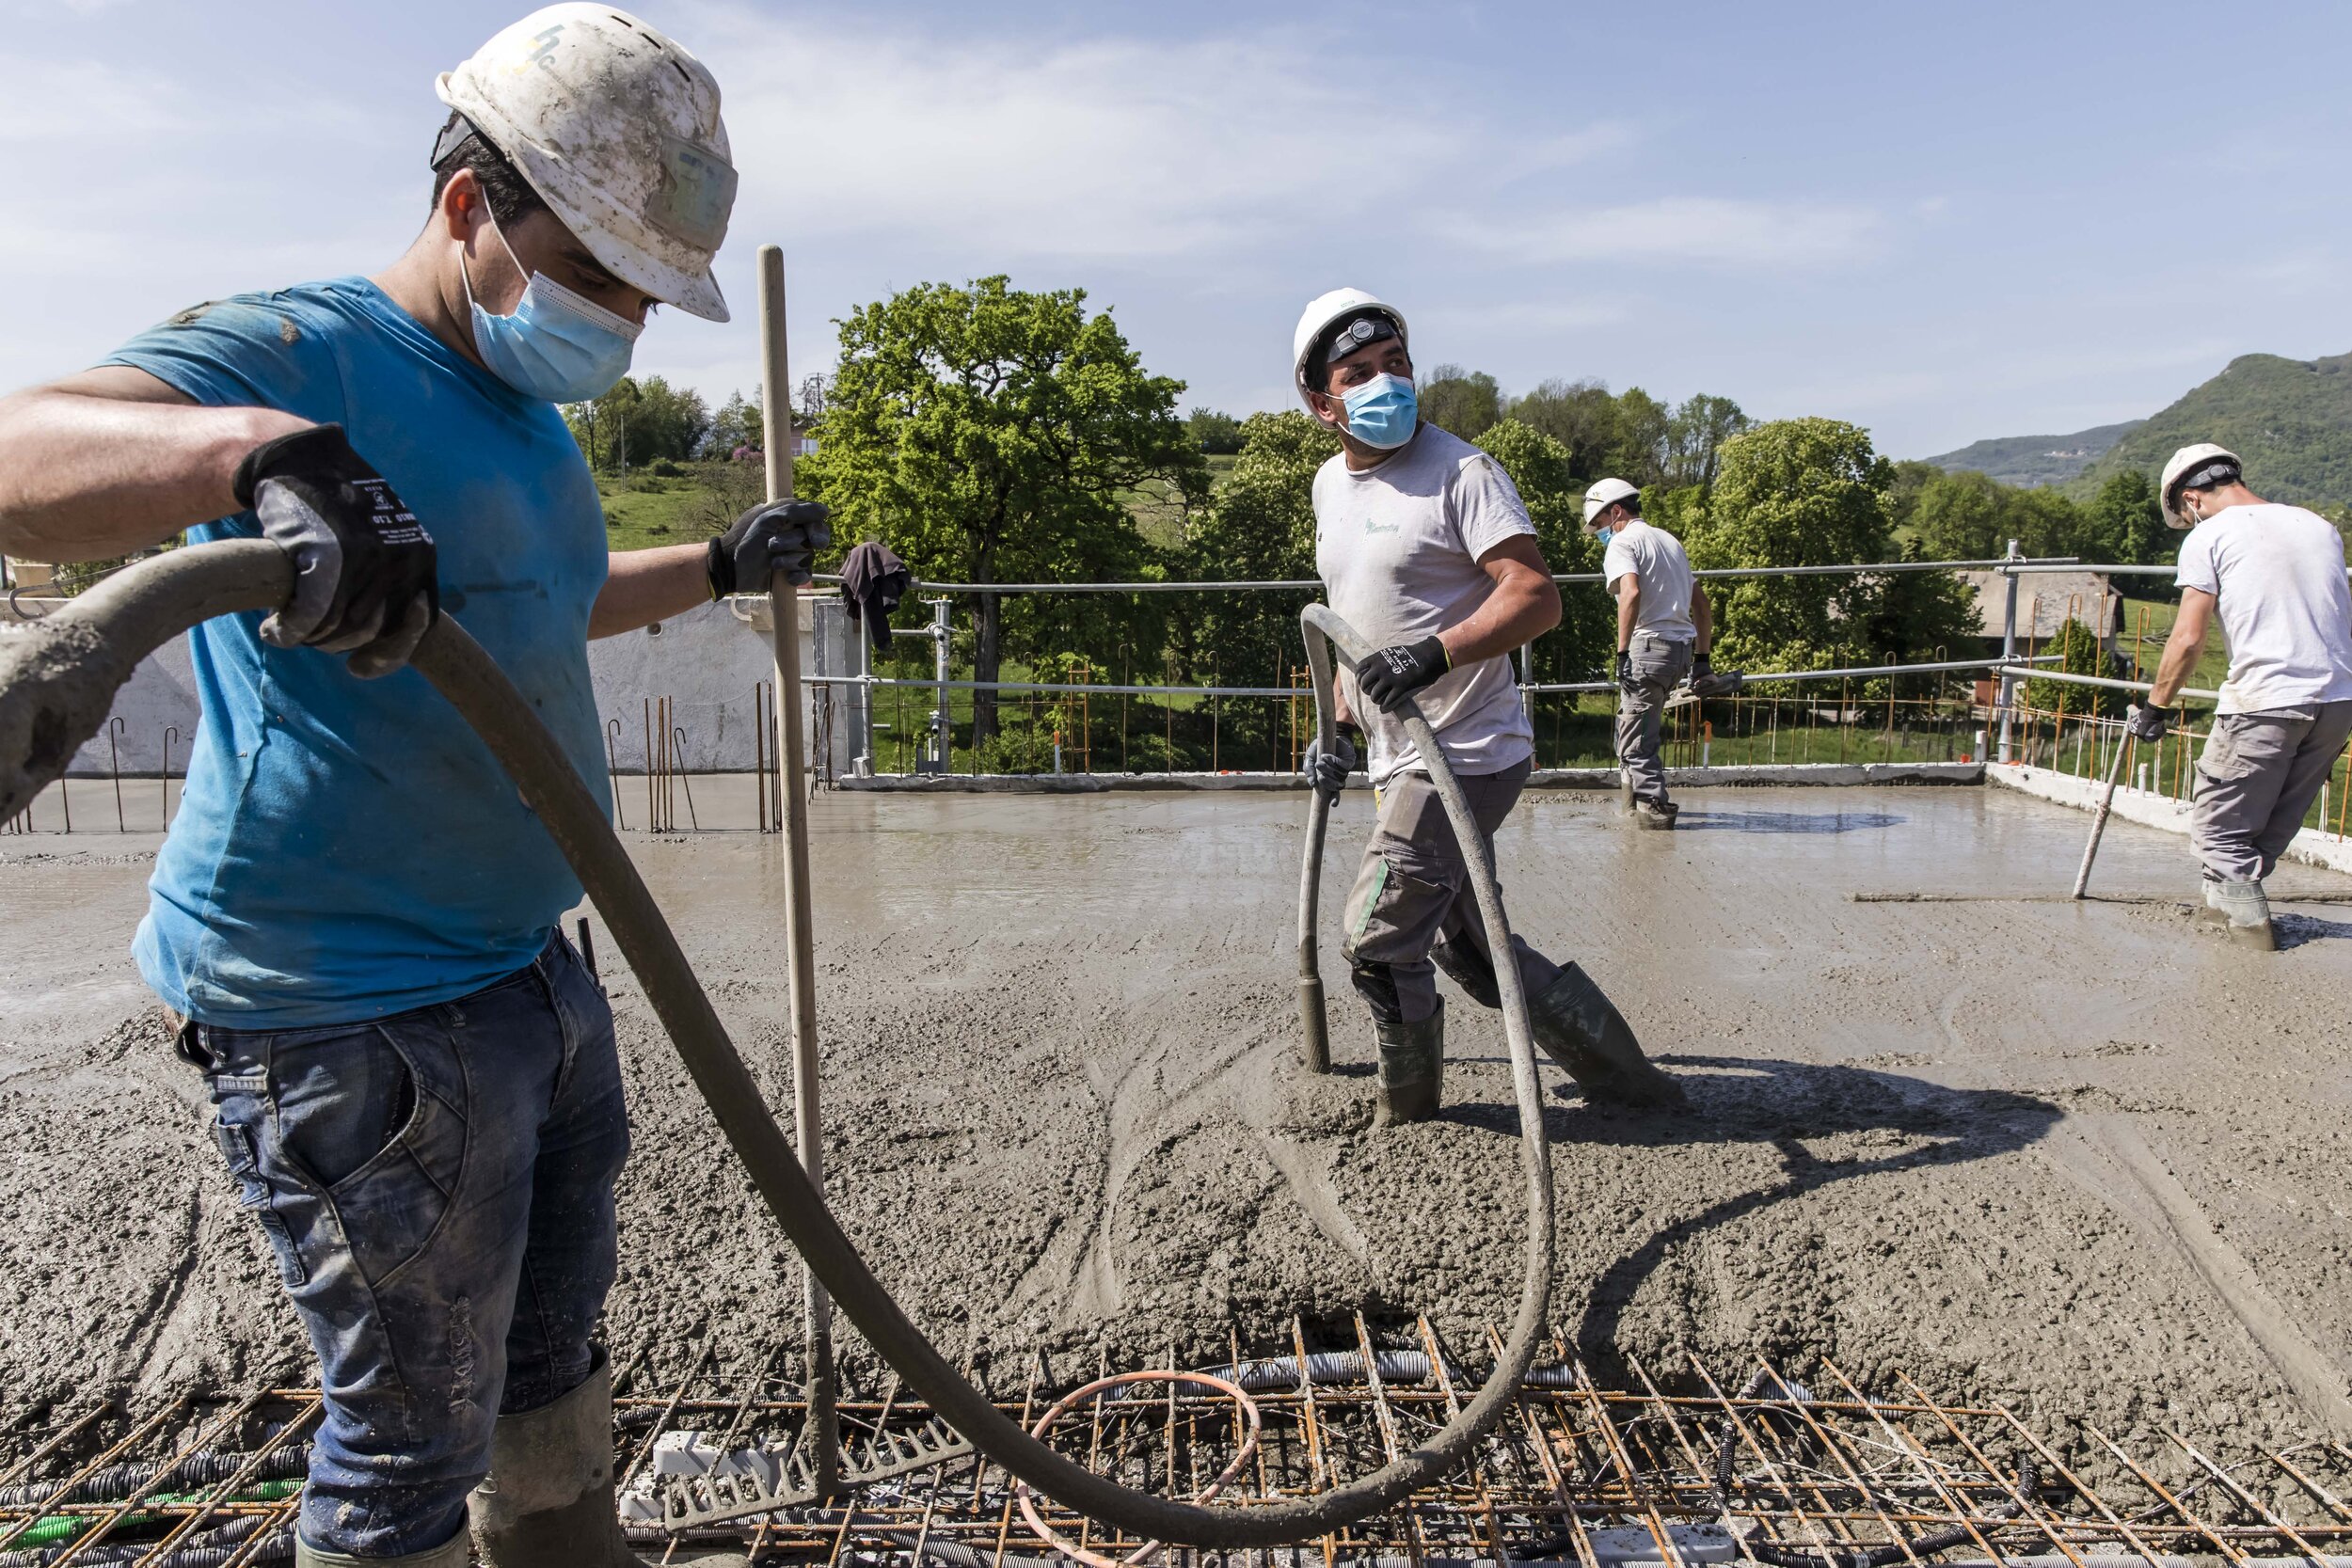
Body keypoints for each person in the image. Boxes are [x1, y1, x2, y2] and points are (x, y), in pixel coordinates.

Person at [0, 9, 820, 1566]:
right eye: (597, 281)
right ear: (466, 209)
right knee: (403, 1449)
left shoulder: (524, 415)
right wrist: (258, 454)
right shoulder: (302, 354)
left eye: (642, 299)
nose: (621, 328)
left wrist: (717, 563)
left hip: (529, 970)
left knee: (548, 1369)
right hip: (353, 1007)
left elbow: (536, 601)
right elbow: (13, 455)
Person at [1293, 289, 1684, 1124]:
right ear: (1321, 403)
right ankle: (1632, 1084)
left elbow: (1537, 597)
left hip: (1464, 751)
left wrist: (1435, 652)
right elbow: (1351, 621)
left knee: (1376, 938)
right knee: (1469, 945)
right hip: (1394, 755)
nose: (1385, 384)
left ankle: (1411, 1112)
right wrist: (1333, 726)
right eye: (1359, 374)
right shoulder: (1331, 487)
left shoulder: (1462, 472)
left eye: (1396, 364)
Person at [2129, 443, 2352, 949]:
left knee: (2219, 833)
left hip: (2266, 700)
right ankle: (2220, 920)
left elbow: (2187, 639)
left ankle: (2253, 950)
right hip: (2338, 700)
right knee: (2271, 826)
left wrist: (2155, 707)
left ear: (2193, 500)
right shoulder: (2316, 525)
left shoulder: (2210, 535)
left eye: (2186, 517)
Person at [1583, 479, 1713, 830]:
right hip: (1680, 651)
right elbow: (1701, 605)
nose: (1598, 533)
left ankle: (1654, 817)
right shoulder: (1671, 542)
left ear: (1615, 511)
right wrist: (1702, 661)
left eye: (1598, 524)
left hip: (1648, 649)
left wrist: (1622, 652)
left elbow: (1631, 593)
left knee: (1635, 742)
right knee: (1636, 728)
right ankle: (1632, 807)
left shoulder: (1623, 542)